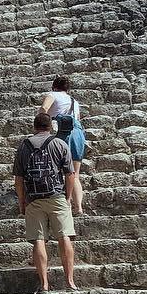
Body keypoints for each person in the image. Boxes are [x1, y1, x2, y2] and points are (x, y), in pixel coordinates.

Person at [13, 111, 76, 293]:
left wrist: (22, 200)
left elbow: (18, 179)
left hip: (34, 198)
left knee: (39, 240)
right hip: (56, 196)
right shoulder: (59, 144)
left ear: (34, 127)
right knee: (64, 237)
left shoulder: (24, 147)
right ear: (50, 127)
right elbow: (70, 174)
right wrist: (68, 197)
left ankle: (44, 284)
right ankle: (70, 282)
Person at [42, 75, 86, 215]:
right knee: (74, 173)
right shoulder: (74, 101)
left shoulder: (52, 95)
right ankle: (78, 207)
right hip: (77, 134)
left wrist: (42, 124)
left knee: (57, 170)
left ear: (54, 86)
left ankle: (65, 204)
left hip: (60, 134)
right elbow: (77, 119)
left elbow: (44, 108)